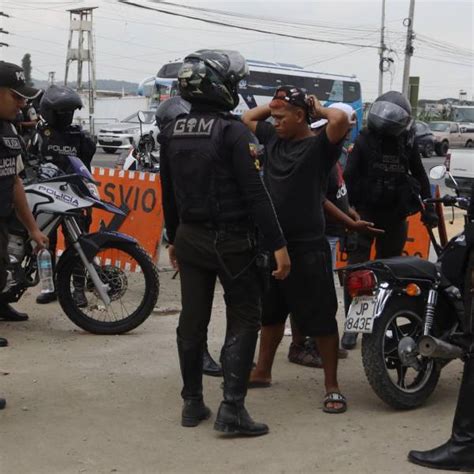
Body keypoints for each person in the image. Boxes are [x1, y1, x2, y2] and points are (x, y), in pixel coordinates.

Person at [160, 50, 290, 436]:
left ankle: (192, 402)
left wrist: (172, 237)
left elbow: (168, 192)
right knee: (244, 317)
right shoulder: (235, 133)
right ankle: (231, 410)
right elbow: (256, 194)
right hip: (233, 242)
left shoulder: (172, 132)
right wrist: (278, 244)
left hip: (190, 239)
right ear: (222, 87)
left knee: (192, 320)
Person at [242, 86, 351, 413]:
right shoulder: (273, 139)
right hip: (273, 245)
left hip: (307, 247)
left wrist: (317, 106)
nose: (274, 122)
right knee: (271, 312)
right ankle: (262, 371)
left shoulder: (319, 148)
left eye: (281, 117)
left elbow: (341, 119)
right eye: (272, 117)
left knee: (320, 317)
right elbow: (247, 116)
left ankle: (332, 385)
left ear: (302, 116)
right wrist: (278, 104)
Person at [287, 103, 383, 368]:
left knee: (322, 295)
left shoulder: (334, 155)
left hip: (332, 232)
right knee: (309, 293)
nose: (348, 135)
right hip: (319, 234)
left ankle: (318, 343)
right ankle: (300, 345)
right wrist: (349, 223)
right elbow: (319, 199)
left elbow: (337, 193)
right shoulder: (315, 154)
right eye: (345, 129)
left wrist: (349, 212)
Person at [341, 91, 438, 350]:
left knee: (391, 274)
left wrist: (429, 207)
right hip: (365, 216)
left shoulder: (407, 142)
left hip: (394, 216)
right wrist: (349, 214)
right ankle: (353, 326)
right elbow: (348, 180)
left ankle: (383, 323)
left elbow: (420, 174)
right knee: (356, 270)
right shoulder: (364, 140)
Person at [155, 96, 222, 378]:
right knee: (195, 307)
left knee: (240, 304)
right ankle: (200, 359)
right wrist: (174, 239)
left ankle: (236, 356)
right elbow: (169, 198)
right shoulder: (173, 150)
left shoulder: (217, 143)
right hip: (193, 236)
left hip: (225, 233)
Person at [0, 60, 49, 409]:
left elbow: (14, 180)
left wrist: (32, 227)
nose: (22, 104)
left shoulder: (8, 130)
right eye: (16, 96)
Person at [31, 85, 96, 306]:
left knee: (77, 244)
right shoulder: (39, 135)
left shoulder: (79, 137)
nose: (68, 116)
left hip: (75, 197)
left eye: (70, 111)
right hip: (47, 198)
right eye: (62, 112)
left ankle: (78, 289)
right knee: (45, 245)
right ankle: (51, 287)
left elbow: (86, 166)